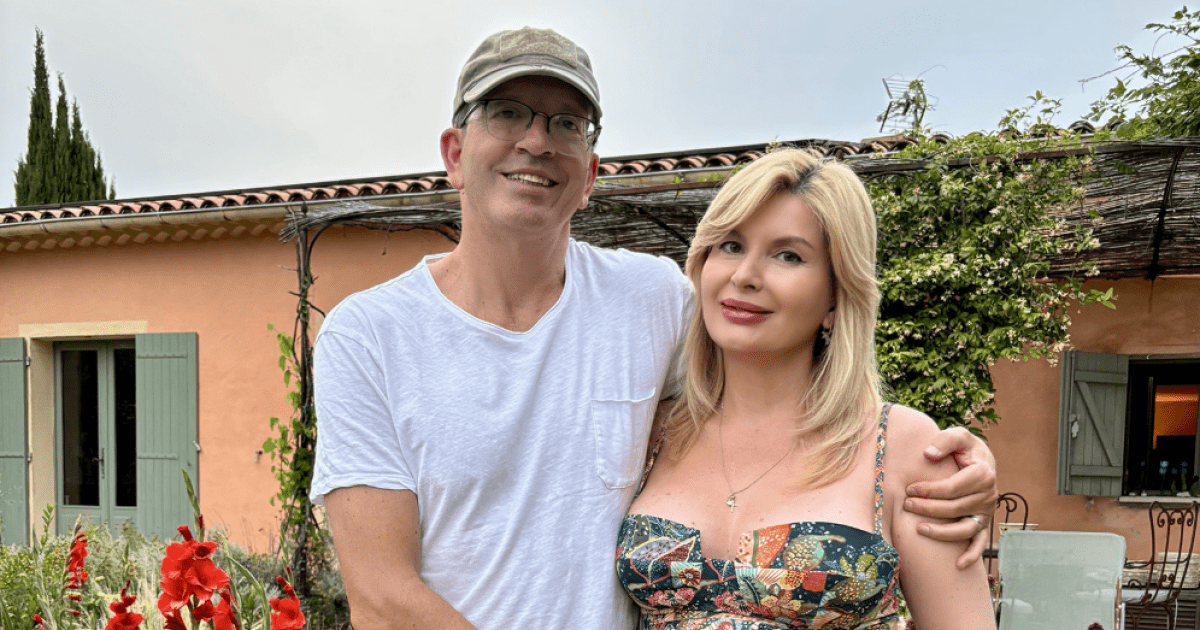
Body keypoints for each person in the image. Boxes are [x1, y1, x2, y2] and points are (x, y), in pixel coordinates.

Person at [310, 27, 997, 630]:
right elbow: (382, 599)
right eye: (506, 112)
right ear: (455, 154)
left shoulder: (652, 301)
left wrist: (959, 461)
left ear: (590, 175)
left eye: (567, 123)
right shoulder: (370, 336)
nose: (536, 140)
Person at [616, 148, 995, 628]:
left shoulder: (902, 447)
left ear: (837, 295)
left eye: (788, 255)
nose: (744, 276)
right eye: (730, 245)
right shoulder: (652, 431)